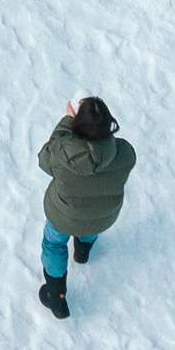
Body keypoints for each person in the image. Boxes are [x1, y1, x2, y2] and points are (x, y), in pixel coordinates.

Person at [35, 96, 135, 319]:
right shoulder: (125, 153)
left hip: (64, 215)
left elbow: (44, 159)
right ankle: (83, 250)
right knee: (90, 223)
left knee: (54, 244)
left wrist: (66, 123)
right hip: (103, 215)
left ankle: (56, 295)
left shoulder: (62, 153)